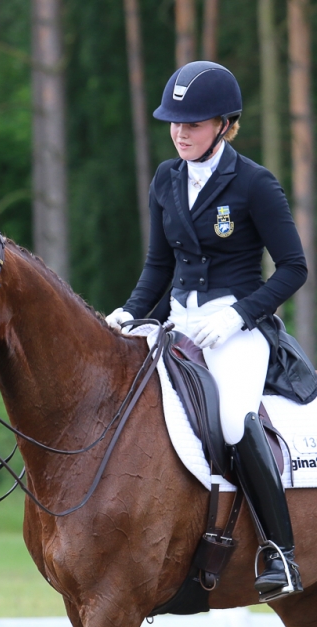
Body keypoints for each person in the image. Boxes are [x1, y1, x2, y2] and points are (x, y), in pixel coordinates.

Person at [105, 61, 306, 600]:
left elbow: (293, 267)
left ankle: (280, 554)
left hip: (235, 328)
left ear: (224, 124)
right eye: (174, 121)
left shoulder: (255, 184)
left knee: (236, 424)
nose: (179, 132)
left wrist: (239, 314)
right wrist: (129, 312)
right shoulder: (166, 178)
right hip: (176, 322)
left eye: (192, 123)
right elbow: (157, 264)